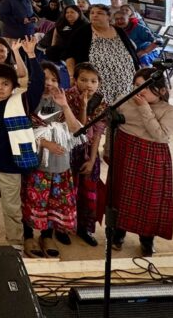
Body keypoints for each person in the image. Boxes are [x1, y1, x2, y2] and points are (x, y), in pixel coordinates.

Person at [0, 37, 44, 252]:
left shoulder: (21, 101)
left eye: (5, 84)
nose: (0, 87)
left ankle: (15, 244)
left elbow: (37, 84)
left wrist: (30, 56)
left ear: (13, 86)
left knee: (12, 208)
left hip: (11, 167)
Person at [107, 68, 173, 257]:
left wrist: (144, 108)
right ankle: (118, 233)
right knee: (120, 193)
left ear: (161, 90)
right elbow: (110, 125)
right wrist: (108, 150)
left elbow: (160, 135)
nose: (140, 91)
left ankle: (147, 239)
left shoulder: (170, 111)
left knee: (149, 198)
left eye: (146, 87)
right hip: (125, 150)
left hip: (151, 155)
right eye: (137, 86)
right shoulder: (124, 101)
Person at [21, 65, 84, 259]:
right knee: (33, 201)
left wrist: (64, 105)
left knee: (52, 202)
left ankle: (47, 236)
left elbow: (77, 131)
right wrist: (45, 143)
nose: (49, 83)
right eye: (45, 78)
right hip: (37, 166)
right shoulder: (28, 100)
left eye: (54, 79)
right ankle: (28, 236)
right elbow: (23, 131)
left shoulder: (63, 102)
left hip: (60, 166)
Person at [64, 63, 107, 247]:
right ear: (75, 80)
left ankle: (84, 228)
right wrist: (83, 106)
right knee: (66, 190)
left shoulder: (101, 102)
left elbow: (97, 132)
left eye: (93, 81)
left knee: (87, 190)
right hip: (68, 150)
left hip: (88, 152)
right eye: (83, 80)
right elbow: (78, 129)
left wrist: (92, 159)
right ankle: (62, 226)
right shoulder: (66, 97)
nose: (88, 85)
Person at [65, 4, 138, 103]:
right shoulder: (82, 32)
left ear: (109, 17)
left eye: (99, 13)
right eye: (92, 13)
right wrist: (71, 76)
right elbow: (69, 55)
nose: (94, 15)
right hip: (97, 86)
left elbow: (132, 52)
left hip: (125, 83)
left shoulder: (119, 31)